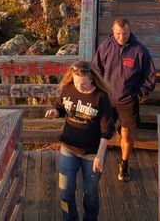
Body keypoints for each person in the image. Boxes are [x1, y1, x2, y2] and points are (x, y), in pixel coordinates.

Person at [45, 60, 114, 221]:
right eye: (77, 83)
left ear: (92, 79)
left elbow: (107, 130)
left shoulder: (101, 97)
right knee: (65, 192)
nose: (79, 87)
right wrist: (55, 112)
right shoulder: (68, 88)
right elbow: (60, 107)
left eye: (83, 84)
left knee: (90, 193)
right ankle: (70, 218)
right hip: (68, 149)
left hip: (92, 154)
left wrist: (100, 156)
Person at [93, 17, 156, 182]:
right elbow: (96, 69)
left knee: (126, 135)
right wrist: (100, 91)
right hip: (107, 100)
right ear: (113, 31)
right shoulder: (105, 47)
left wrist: (139, 94)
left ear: (130, 31)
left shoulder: (140, 51)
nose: (122, 37)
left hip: (128, 101)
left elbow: (150, 77)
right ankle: (94, 161)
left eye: (125, 34)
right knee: (101, 131)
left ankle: (124, 163)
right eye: (118, 34)